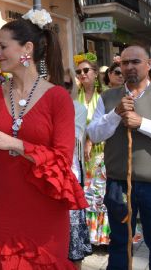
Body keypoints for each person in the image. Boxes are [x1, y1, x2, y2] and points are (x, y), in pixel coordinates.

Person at [0, 11, 88, 269]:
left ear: (27, 48)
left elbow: (62, 159)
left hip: (44, 207)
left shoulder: (58, 98)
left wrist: (16, 144)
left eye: (3, 46)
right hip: (2, 203)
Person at [87, 45, 151, 269]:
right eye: (125, 63)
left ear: (149, 64)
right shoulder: (109, 97)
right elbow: (94, 134)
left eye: (136, 61)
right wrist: (115, 114)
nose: (130, 67)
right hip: (118, 184)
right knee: (120, 243)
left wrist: (142, 123)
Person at [75, 54, 110, 246]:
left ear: (95, 73)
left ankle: (103, 238)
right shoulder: (75, 94)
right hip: (79, 154)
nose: (82, 74)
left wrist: (90, 139)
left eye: (86, 70)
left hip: (101, 152)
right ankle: (89, 237)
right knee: (84, 193)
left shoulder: (104, 95)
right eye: (79, 71)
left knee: (99, 194)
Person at [64, 68, 92, 268]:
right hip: (40, 178)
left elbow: (69, 141)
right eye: (57, 83)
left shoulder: (77, 108)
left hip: (69, 177)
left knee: (74, 246)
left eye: (67, 84)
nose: (62, 88)